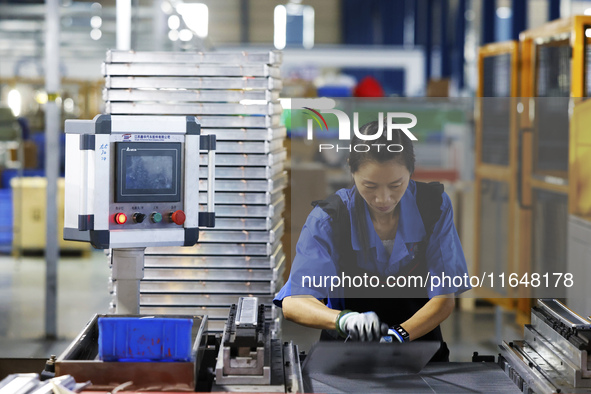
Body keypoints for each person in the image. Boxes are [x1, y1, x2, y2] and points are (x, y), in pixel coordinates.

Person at [274, 120, 471, 362]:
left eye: (396, 185)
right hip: (346, 360)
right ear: (352, 170)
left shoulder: (433, 208)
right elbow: (295, 303)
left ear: (411, 170)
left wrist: (398, 336)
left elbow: (444, 298)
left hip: (421, 359)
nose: (383, 198)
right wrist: (343, 320)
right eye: (370, 185)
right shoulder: (330, 219)